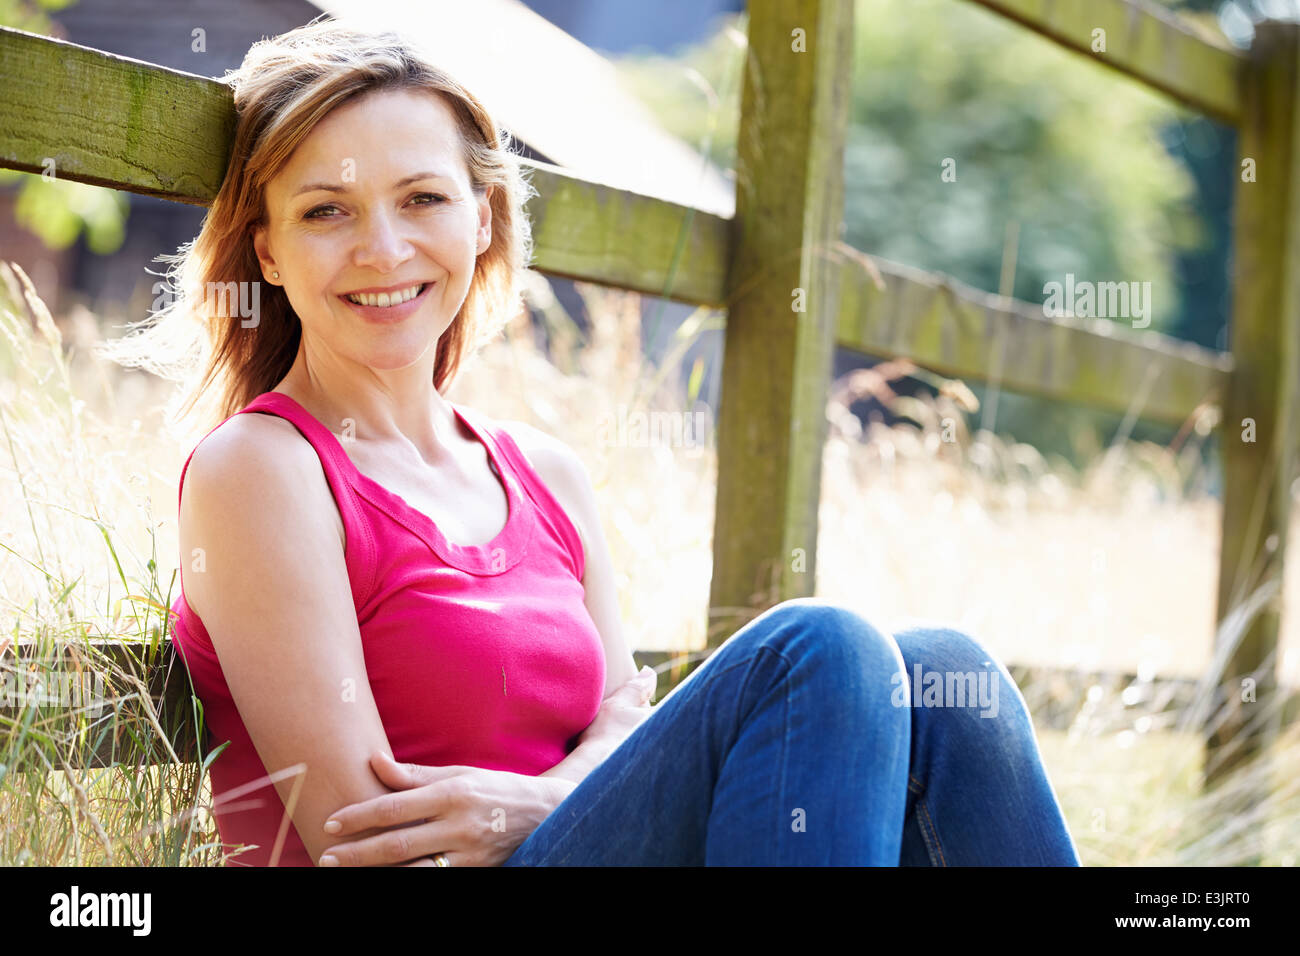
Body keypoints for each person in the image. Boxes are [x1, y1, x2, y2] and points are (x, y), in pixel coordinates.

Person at [107, 17, 1079, 866]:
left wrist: (527, 804)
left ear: (483, 216)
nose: (384, 248)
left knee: (948, 680)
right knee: (818, 651)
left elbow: (625, 724)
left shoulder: (544, 477)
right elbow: (373, 838)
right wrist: (567, 793)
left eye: (422, 199)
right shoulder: (264, 471)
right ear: (268, 248)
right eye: (327, 211)